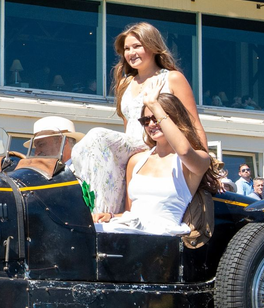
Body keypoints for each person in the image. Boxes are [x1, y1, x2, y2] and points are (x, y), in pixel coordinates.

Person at [72, 22, 207, 214]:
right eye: (127, 48)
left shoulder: (172, 78)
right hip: (133, 150)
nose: (130, 52)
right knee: (84, 152)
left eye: (137, 46)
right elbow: (128, 127)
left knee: (97, 136)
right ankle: (98, 212)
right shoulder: (125, 84)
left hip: (160, 146)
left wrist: (204, 161)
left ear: (152, 46)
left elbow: (193, 123)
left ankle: (99, 213)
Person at [93, 85, 219, 235]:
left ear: (175, 119)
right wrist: (111, 216)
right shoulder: (136, 160)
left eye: (156, 118)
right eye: (146, 120)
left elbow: (184, 151)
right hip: (129, 232)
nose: (151, 124)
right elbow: (131, 213)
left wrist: (153, 104)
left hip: (163, 239)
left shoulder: (196, 159)